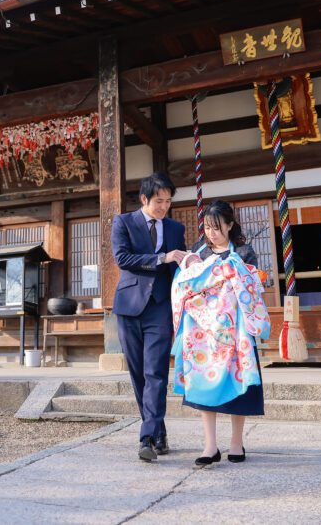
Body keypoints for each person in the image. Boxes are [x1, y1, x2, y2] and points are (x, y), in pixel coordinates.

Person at [172, 200, 270, 467]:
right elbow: (186, 283)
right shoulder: (198, 251)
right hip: (202, 330)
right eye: (207, 228)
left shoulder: (243, 252)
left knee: (238, 381)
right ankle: (210, 445)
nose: (211, 233)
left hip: (235, 327)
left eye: (217, 228)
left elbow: (253, 285)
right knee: (203, 382)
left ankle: (236, 441)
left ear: (230, 225)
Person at [110, 172, 187, 462]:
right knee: (138, 374)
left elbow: (179, 265)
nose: (164, 206)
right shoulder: (124, 222)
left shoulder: (176, 228)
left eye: (168, 201)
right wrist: (161, 258)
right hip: (129, 306)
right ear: (144, 199)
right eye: (159, 201)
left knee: (155, 371)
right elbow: (122, 259)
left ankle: (146, 437)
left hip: (160, 307)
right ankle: (159, 431)